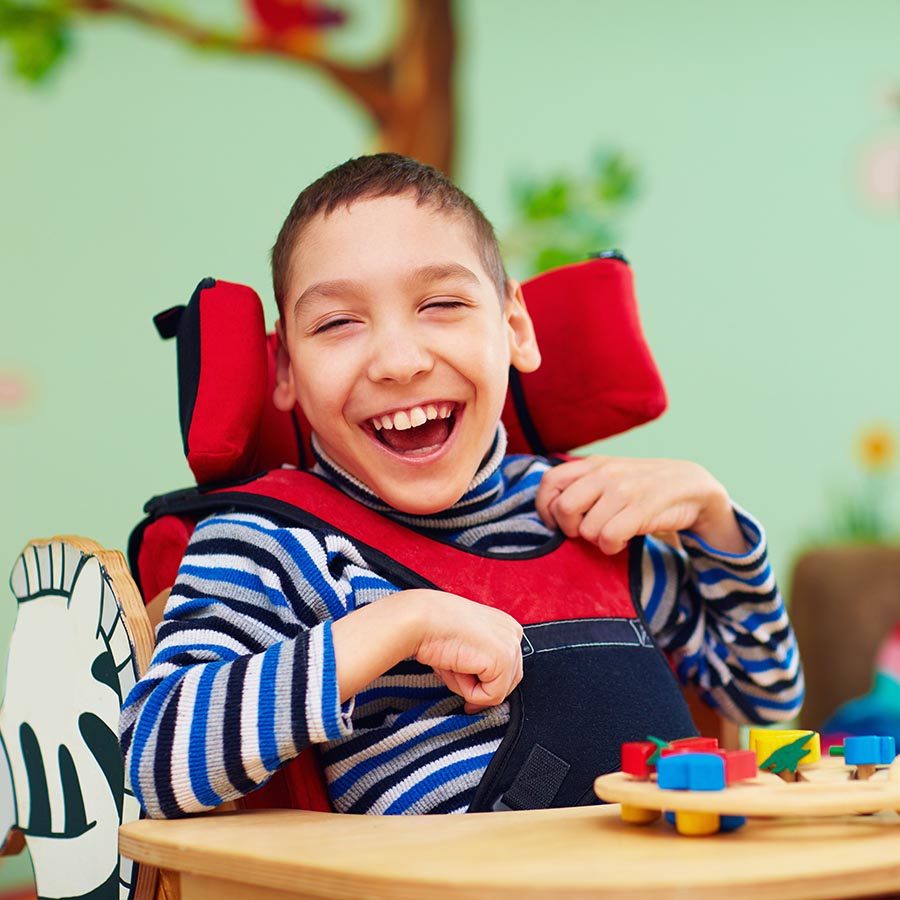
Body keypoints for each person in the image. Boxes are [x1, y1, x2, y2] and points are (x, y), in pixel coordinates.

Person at [120, 153, 803, 819]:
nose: (398, 361)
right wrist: (397, 624)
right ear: (285, 371)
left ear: (514, 328)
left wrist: (716, 520)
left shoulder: (585, 514)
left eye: (441, 304)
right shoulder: (273, 542)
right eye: (337, 322)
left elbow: (764, 698)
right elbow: (148, 761)